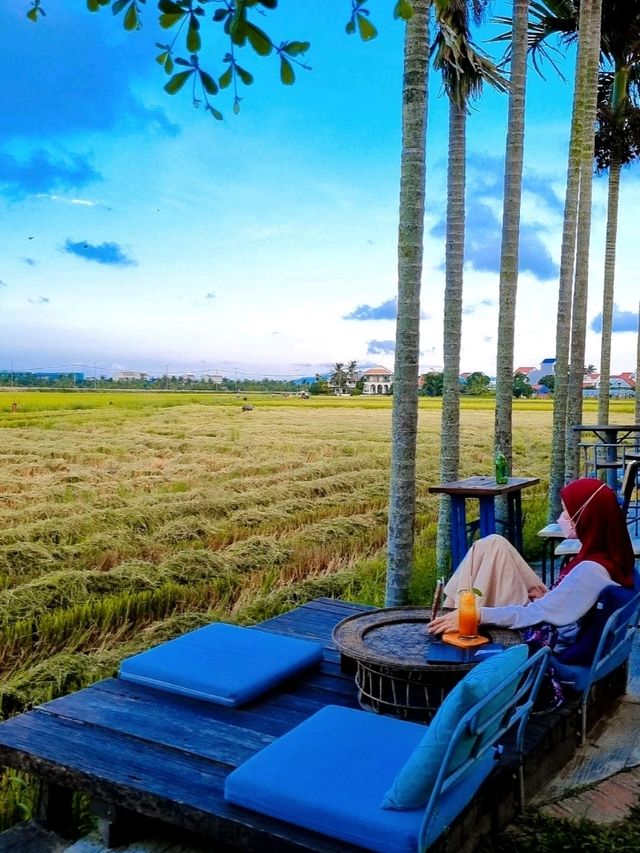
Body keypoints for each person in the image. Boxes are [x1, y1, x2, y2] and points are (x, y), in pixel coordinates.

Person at [428, 477, 635, 649]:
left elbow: (534, 615)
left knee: (492, 555)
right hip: (554, 611)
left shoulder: (590, 571)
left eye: (568, 513)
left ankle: (460, 617)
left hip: (540, 633)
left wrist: (480, 615)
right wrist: (551, 597)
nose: (562, 517)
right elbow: (571, 603)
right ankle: (454, 613)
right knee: (494, 543)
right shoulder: (609, 555)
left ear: (588, 518)